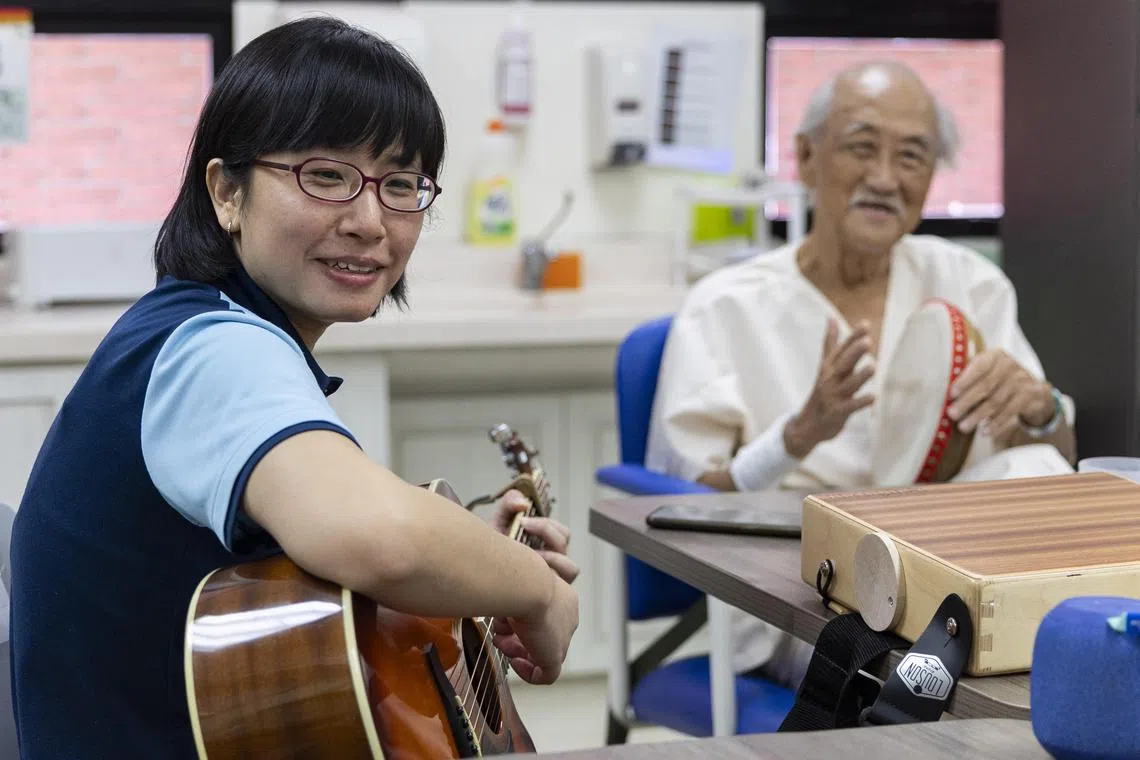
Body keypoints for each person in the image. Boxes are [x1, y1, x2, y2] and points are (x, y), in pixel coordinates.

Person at [9, 16, 579, 759]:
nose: (371, 221)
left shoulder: (194, 332)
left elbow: (334, 568)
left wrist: (480, 555)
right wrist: (538, 590)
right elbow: (380, 537)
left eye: (401, 184)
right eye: (327, 175)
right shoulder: (213, 351)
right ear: (227, 194)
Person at [644, 61, 1075, 690]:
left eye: (911, 157)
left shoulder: (971, 284)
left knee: (1043, 477)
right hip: (801, 586)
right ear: (805, 156)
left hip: (954, 571)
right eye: (862, 147)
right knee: (949, 680)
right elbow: (686, 500)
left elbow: (1056, 454)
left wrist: (1042, 410)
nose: (884, 179)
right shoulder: (726, 306)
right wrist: (796, 436)